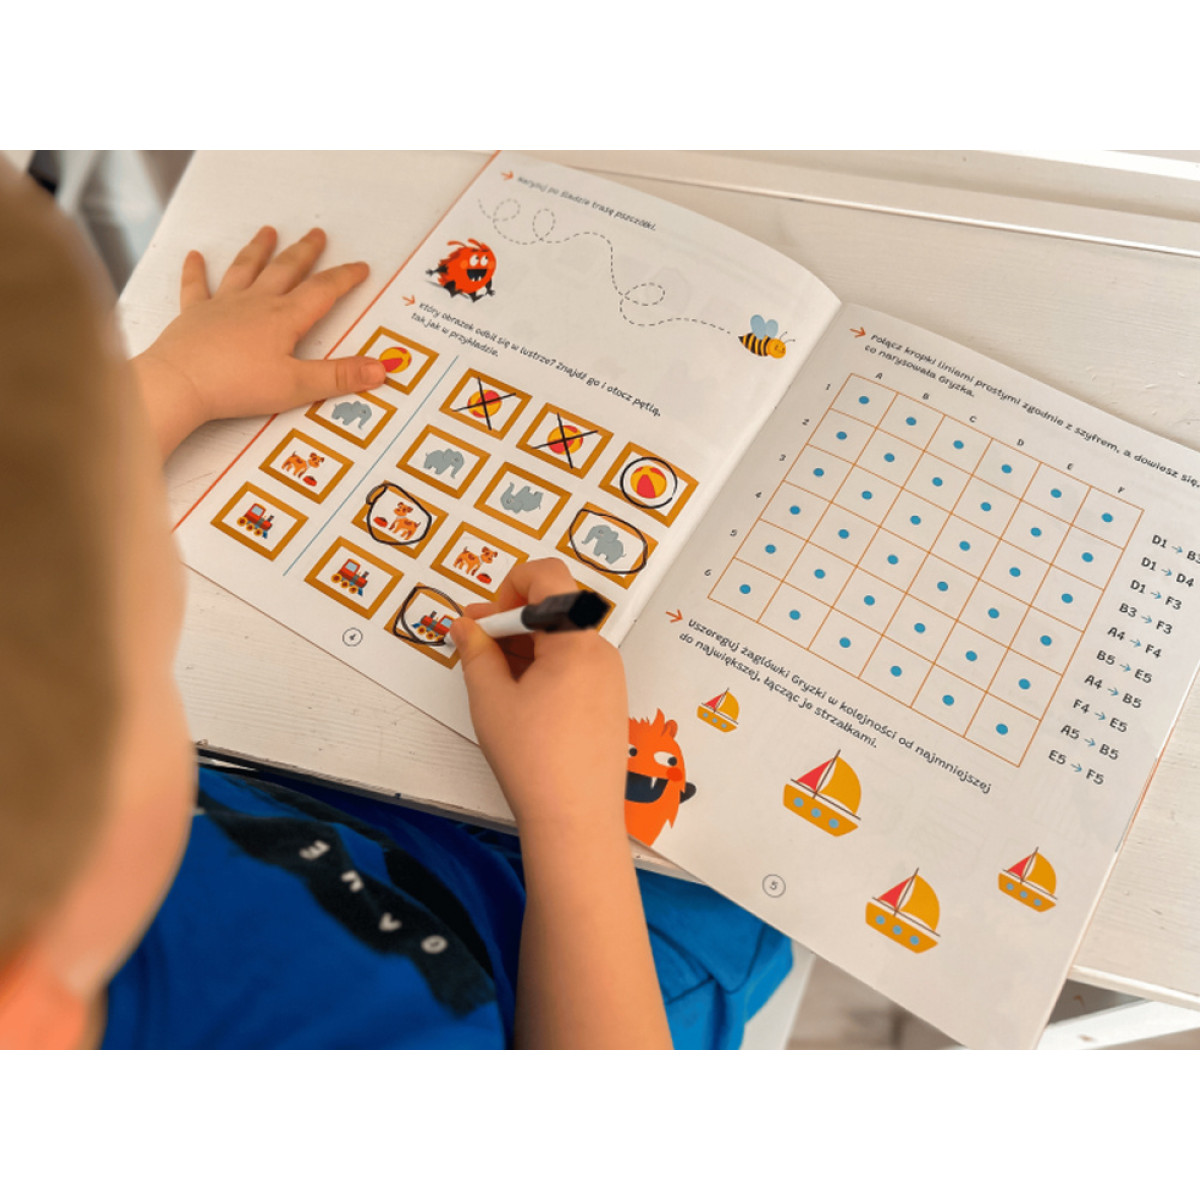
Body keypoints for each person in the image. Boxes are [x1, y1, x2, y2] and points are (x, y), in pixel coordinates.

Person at [0, 162, 792, 1049]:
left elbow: (41, 528)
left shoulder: (49, 841)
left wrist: (177, 380)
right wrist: (573, 823)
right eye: (135, 671)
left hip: (318, 812)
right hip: (544, 961)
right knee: (745, 879)